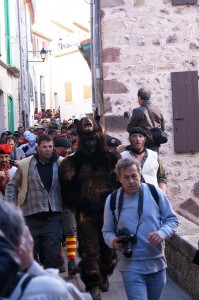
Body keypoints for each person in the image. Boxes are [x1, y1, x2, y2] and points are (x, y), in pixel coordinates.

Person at [59, 117, 119, 300]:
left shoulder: (111, 159)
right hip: (86, 214)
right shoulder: (72, 163)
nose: (92, 145)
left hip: (108, 212)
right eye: (88, 141)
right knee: (89, 248)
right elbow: (67, 192)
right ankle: (93, 284)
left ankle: (105, 273)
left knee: (107, 249)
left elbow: (120, 183)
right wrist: (82, 202)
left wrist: (111, 199)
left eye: (94, 141)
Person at [102, 157, 179, 300]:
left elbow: (172, 219)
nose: (131, 181)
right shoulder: (112, 200)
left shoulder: (155, 192)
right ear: (119, 179)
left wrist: (162, 233)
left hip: (157, 263)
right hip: (130, 264)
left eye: (134, 176)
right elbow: (107, 231)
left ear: (140, 174)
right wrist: (113, 241)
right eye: (126, 177)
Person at [0, 200, 92, 300]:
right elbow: (69, 294)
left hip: (58, 208)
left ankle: (71, 260)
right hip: (34, 211)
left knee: (61, 236)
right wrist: (30, 264)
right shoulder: (48, 291)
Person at [5, 134, 63, 271]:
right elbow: (11, 187)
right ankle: (34, 285)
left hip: (53, 216)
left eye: (50, 147)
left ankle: (50, 286)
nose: (48, 150)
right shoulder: (25, 164)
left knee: (52, 255)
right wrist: (11, 209)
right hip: (29, 216)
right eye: (44, 147)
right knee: (29, 258)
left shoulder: (61, 163)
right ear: (38, 147)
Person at [54, 136, 80, 276]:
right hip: (53, 202)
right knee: (57, 232)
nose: (68, 150)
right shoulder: (51, 162)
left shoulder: (70, 163)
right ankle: (59, 258)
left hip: (67, 203)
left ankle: (71, 261)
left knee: (70, 230)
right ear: (56, 148)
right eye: (65, 148)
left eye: (69, 148)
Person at [121, 127, 167, 193]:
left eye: (140, 136)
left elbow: (162, 177)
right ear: (129, 139)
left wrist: (161, 194)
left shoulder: (154, 155)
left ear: (144, 139)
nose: (137, 139)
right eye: (134, 136)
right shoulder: (122, 157)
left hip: (152, 196)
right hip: (130, 196)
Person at [126, 87, 166, 153]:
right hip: (156, 143)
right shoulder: (157, 110)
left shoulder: (137, 110)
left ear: (139, 97)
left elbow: (130, 129)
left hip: (143, 144)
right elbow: (162, 128)